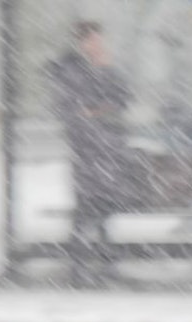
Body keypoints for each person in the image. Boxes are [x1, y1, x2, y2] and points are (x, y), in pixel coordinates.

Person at [48, 21, 132, 283]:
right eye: (93, 40)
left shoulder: (104, 68)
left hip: (107, 149)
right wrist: (98, 111)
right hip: (87, 150)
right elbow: (75, 108)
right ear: (81, 42)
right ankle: (80, 265)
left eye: (100, 39)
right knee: (86, 207)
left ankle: (104, 262)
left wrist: (105, 76)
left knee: (103, 206)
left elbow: (123, 98)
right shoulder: (73, 71)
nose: (98, 45)